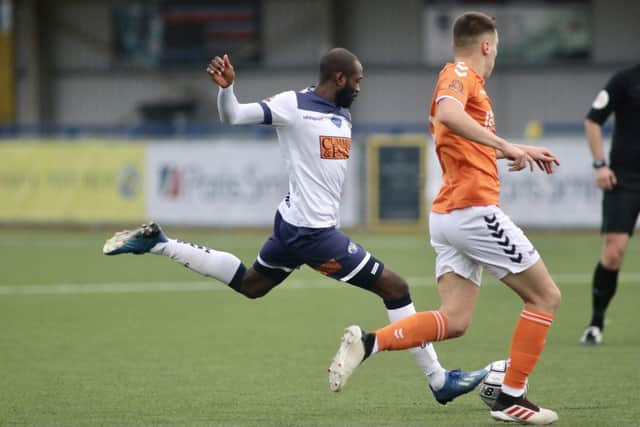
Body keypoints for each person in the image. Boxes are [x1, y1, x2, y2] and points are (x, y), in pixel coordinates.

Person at [102, 48, 487, 404]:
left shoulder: (341, 113)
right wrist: (227, 90)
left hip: (293, 225)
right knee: (396, 288)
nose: (360, 87)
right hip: (312, 235)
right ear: (339, 78)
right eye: (358, 80)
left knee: (252, 285)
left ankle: (159, 243)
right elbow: (233, 115)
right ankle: (439, 381)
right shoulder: (293, 104)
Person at [327, 13, 562, 425]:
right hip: (473, 211)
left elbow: (460, 136)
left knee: (454, 321)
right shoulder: (459, 73)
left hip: (450, 216)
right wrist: (506, 144)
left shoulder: (467, 84)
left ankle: (368, 343)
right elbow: (450, 113)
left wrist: (516, 148)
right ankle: (511, 397)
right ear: (487, 45)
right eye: (497, 48)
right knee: (545, 297)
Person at [580, 63, 640, 345]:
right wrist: (600, 165)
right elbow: (593, 120)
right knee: (613, 253)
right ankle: (596, 323)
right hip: (623, 179)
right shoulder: (625, 79)